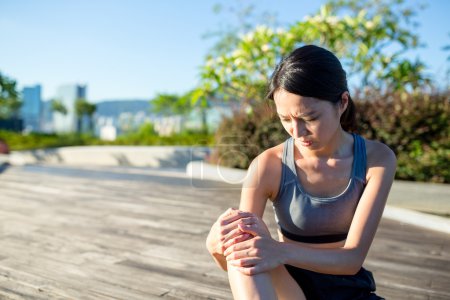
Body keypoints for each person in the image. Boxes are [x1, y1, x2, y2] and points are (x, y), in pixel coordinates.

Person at [206, 45, 397, 300]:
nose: (297, 132)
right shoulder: (267, 165)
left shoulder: (377, 160)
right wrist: (215, 246)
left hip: (347, 288)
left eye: (309, 118)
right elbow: (239, 260)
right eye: (285, 119)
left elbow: (352, 258)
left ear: (342, 103)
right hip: (287, 286)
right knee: (243, 244)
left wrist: (280, 250)